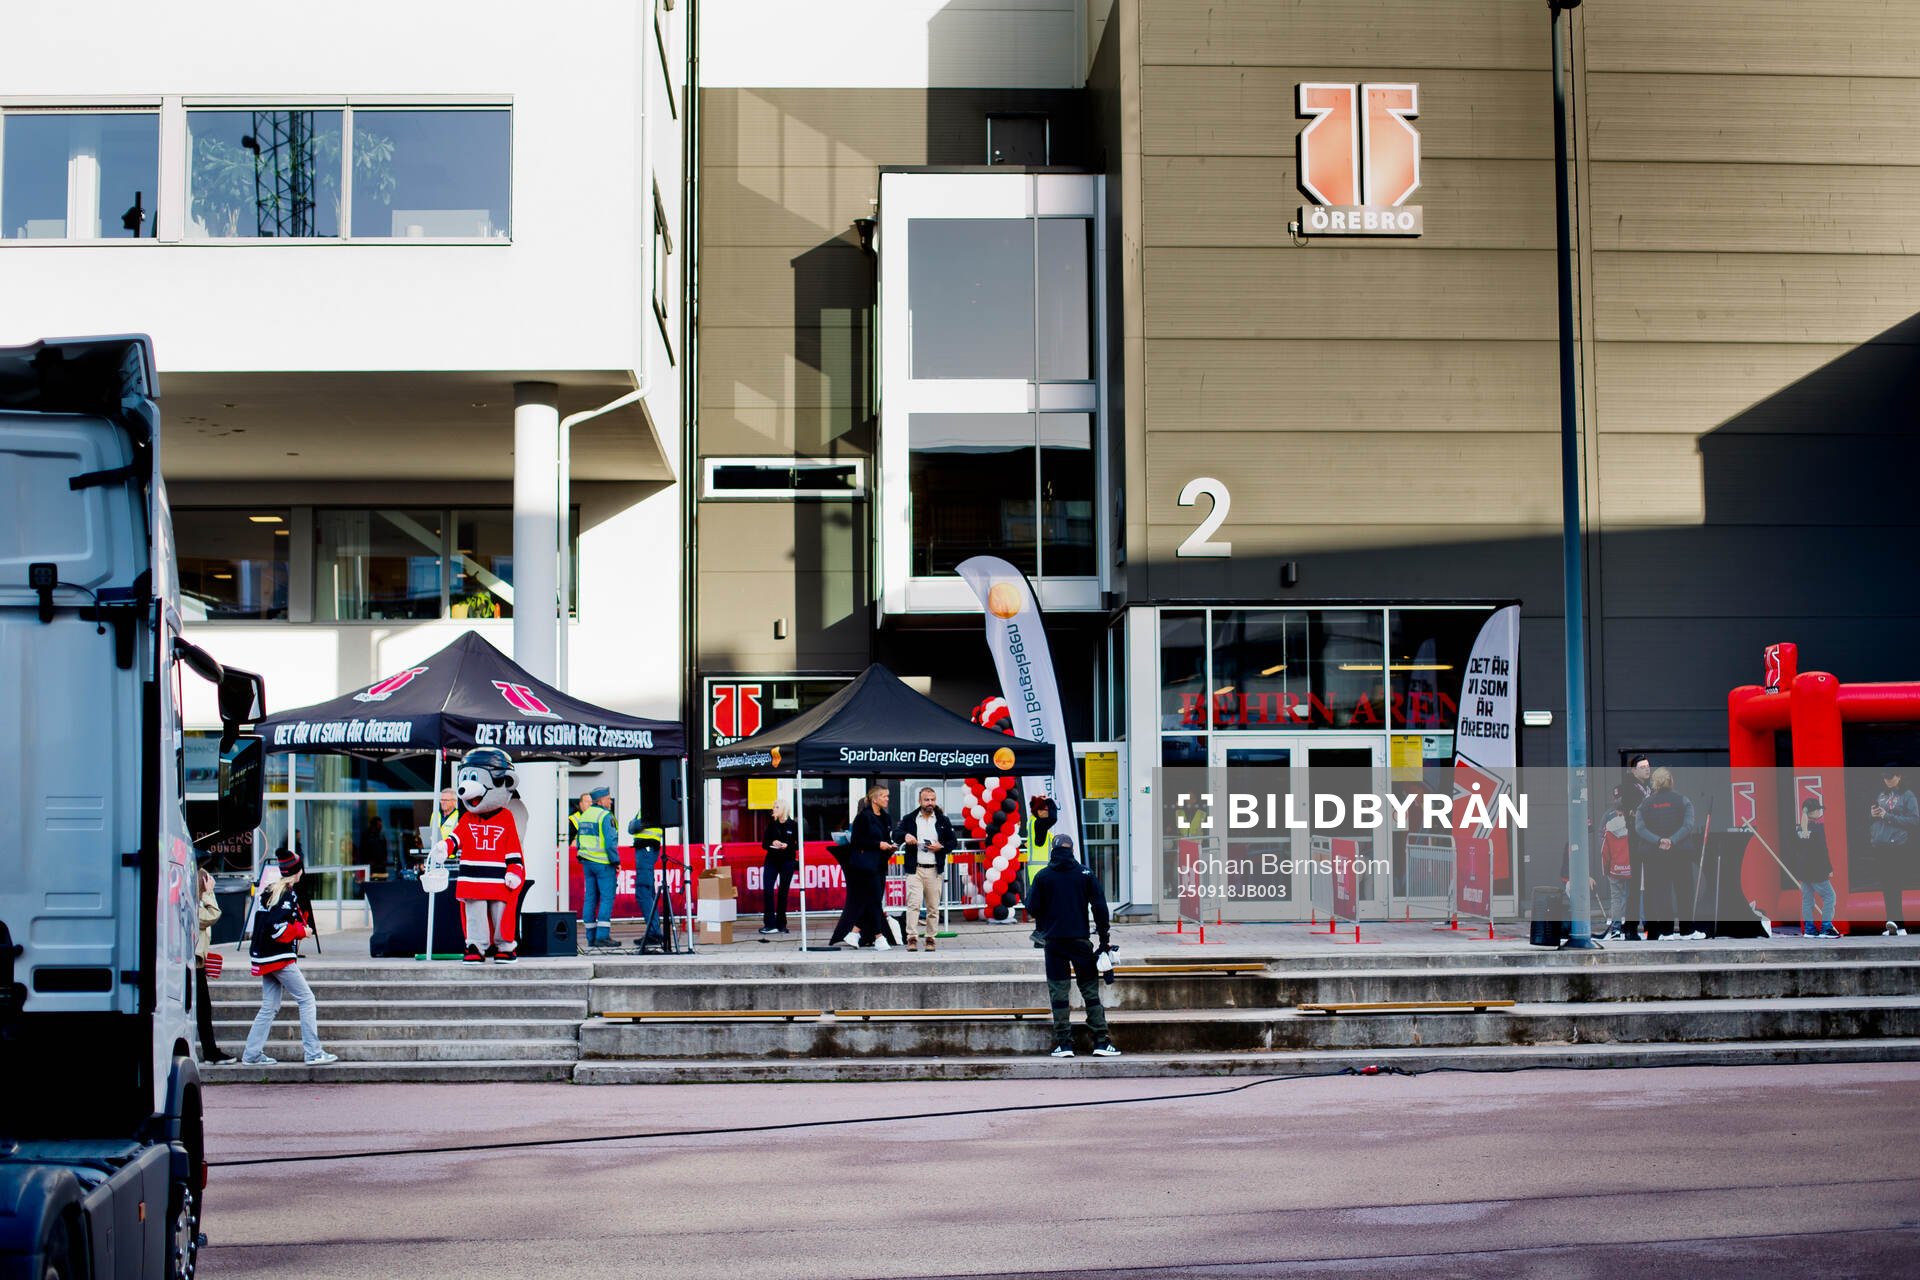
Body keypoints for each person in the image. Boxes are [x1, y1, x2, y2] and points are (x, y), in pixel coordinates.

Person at [1026, 835, 1120, 1058]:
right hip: (1080, 941)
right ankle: (1100, 1041)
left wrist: (1047, 920)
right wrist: (1104, 938)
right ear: (1073, 849)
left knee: (1059, 993)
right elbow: (1099, 906)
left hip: (1054, 943)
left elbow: (1032, 907)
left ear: (1053, 849)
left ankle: (1064, 1044)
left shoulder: (1043, 876)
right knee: (1089, 991)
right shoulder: (1084, 874)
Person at [241, 851, 337, 1066]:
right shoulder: (286, 894)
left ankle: (252, 1054)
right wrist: (303, 931)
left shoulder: (271, 891)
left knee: (269, 1006)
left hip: (265, 956)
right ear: (298, 872)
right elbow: (279, 929)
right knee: (307, 999)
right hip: (279, 957)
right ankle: (313, 1053)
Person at [1633, 767, 1696, 941]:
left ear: (1654, 782)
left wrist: (1658, 840)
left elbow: (1639, 828)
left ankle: (1666, 932)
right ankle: (1687, 931)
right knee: (1685, 892)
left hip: (1655, 856)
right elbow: (1688, 825)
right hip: (1680, 853)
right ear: (1671, 781)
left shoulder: (1644, 804)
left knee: (1661, 893)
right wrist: (1672, 840)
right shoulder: (1683, 801)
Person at [830, 784, 896, 950]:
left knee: (872, 900)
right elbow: (857, 841)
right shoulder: (863, 817)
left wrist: (889, 846)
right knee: (874, 901)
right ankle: (879, 937)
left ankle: (854, 932)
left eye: (887, 796)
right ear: (874, 799)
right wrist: (877, 844)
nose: (887, 799)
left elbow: (885, 838)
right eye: (884, 796)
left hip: (881, 864)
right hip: (866, 865)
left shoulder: (886, 817)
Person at [894, 786, 956, 951]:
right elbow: (896, 833)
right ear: (920, 801)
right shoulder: (910, 818)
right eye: (927, 800)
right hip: (915, 869)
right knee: (913, 904)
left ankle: (930, 938)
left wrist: (941, 847)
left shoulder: (943, 820)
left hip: (935, 869)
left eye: (933, 800)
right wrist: (905, 836)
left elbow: (953, 842)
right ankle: (912, 938)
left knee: (933, 907)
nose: (930, 803)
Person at [1867, 766, 1917, 935]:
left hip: (1897, 846)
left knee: (1895, 883)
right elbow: (1874, 819)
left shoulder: (1907, 795)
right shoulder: (1881, 794)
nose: (1887, 780)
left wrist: (1887, 816)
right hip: (1881, 845)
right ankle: (1891, 924)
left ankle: (1900, 925)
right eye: (1885, 777)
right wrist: (1872, 815)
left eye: (1890, 777)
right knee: (1887, 885)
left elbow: (1914, 820)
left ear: (1899, 776)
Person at [195, 866, 233, 1063]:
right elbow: (213, 915)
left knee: (203, 1010)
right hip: (192, 967)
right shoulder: (195, 906)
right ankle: (210, 1052)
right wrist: (210, 893)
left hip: (197, 965)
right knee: (202, 1010)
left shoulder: (196, 903)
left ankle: (210, 1051)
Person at [574, 789, 619, 948]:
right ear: (600, 801)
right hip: (603, 863)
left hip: (587, 862)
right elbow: (610, 841)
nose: (610, 802)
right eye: (608, 799)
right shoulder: (605, 816)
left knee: (590, 898)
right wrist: (616, 861)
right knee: (607, 898)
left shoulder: (585, 815)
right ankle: (602, 936)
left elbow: (579, 840)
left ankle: (591, 937)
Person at [1792, 795, 1840, 939]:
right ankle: (1826, 928)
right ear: (1812, 812)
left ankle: (1809, 929)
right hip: (1817, 869)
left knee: (1807, 900)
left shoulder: (1798, 829)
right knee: (1830, 896)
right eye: (1818, 809)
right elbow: (1822, 850)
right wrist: (1829, 868)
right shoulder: (1818, 829)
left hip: (1803, 870)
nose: (1820, 811)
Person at [1005, 794, 1058, 922]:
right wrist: (1050, 801)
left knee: (1039, 892)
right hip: (1042, 865)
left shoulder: (1032, 821)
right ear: (1039, 811)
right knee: (1044, 894)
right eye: (1045, 809)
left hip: (1035, 865)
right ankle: (1039, 916)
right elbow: (1053, 818)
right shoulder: (1040, 824)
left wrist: (1038, 801)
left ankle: (1037, 915)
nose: (1047, 812)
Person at [1619, 754, 1654, 940]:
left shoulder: (1651, 787)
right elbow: (1631, 811)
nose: (1647, 770)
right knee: (1634, 885)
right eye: (1642, 767)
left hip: (1650, 838)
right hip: (1636, 837)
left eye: (1648, 766)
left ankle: (1649, 925)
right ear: (1634, 770)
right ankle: (1630, 927)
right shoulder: (1629, 787)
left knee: (1650, 883)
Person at [1596, 788, 1634, 941]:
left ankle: (1616, 929)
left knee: (1616, 898)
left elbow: (1603, 846)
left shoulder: (1608, 822)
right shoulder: (1632, 821)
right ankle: (1634, 927)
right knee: (1632, 897)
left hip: (1615, 866)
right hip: (1631, 865)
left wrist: (1606, 866)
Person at [758, 803, 800, 935]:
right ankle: (769, 924)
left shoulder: (793, 825)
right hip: (771, 860)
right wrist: (773, 843)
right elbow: (764, 844)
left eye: (776, 807)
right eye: (774, 807)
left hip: (787, 861)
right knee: (768, 890)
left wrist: (787, 845)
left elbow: (798, 845)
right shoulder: (772, 825)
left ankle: (781, 924)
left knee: (783, 892)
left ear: (783, 809)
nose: (773, 809)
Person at [627, 814, 665, 949]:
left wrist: (633, 824)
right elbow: (632, 827)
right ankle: (654, 931)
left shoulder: (650, 803)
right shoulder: (654, 802)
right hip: (648, 848)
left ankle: (653, 932)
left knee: (643, 892)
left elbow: (633, 826)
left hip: (646, 848)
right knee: (648, 893)